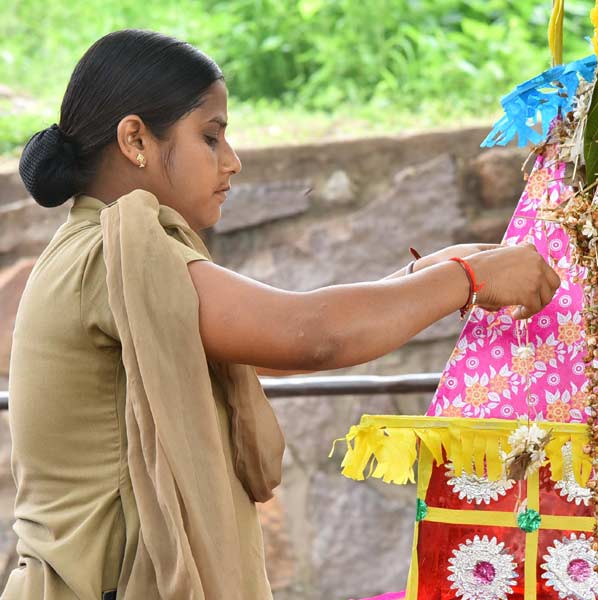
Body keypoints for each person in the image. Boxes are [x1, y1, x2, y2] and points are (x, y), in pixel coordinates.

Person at [3, 29, 560, 600]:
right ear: (135, 139)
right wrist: (468, 280)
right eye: (211, 137)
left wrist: (431, 275)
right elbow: (310, 336)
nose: (233, 161)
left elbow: (283, 335)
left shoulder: (99, 248)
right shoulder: (110, 254)